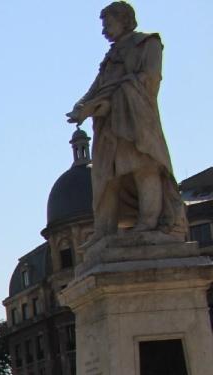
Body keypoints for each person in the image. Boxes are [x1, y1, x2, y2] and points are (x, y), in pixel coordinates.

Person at [66, 2, 187, 244]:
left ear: (124, 20)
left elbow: (150, 81)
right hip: (109, 124)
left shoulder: (148, 44)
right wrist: (81, 107)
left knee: (144, 167)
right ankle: (104, 230)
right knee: (107, 177)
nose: (104, 31)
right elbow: (97, 86)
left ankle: (149, 222)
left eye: (107, 24)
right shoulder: (111, 55)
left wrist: (110, 101)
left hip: (136, 118)